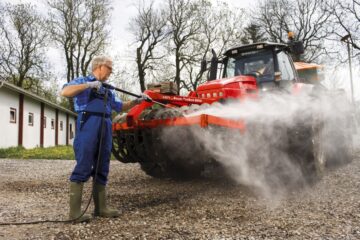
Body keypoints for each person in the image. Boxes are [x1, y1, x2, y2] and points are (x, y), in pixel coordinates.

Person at [61, 56, 148, 222]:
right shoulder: (83, 80)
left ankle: (101, 208)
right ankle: (74, 213)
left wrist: (137, 101)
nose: (111, 71)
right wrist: (89, 85)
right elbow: (65, 92)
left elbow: (119, 106)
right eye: (110, 67)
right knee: (84, 163)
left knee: (103, 164)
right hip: (88, 122)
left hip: (106, 123)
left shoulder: (108, 88)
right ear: (100, 66)